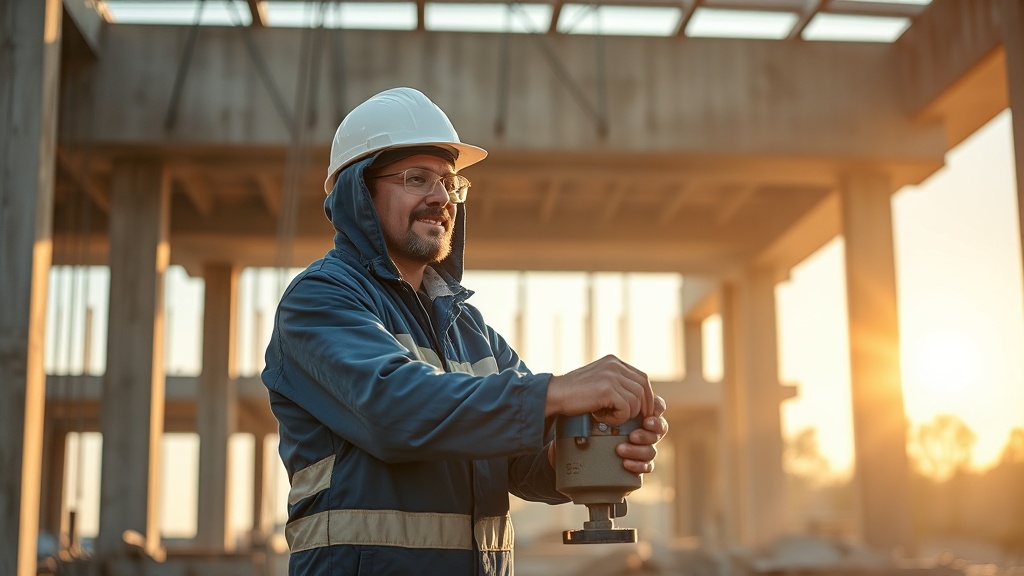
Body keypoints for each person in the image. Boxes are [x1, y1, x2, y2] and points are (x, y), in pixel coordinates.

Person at [262, 86, 668, 576]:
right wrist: (559, 393)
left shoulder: (467, 328)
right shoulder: (319, 301)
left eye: (449, 183)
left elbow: (522, 460)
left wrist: (589, 453)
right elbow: (394, 410)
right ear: (359, 192)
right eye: (417, 178)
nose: (440, 197)